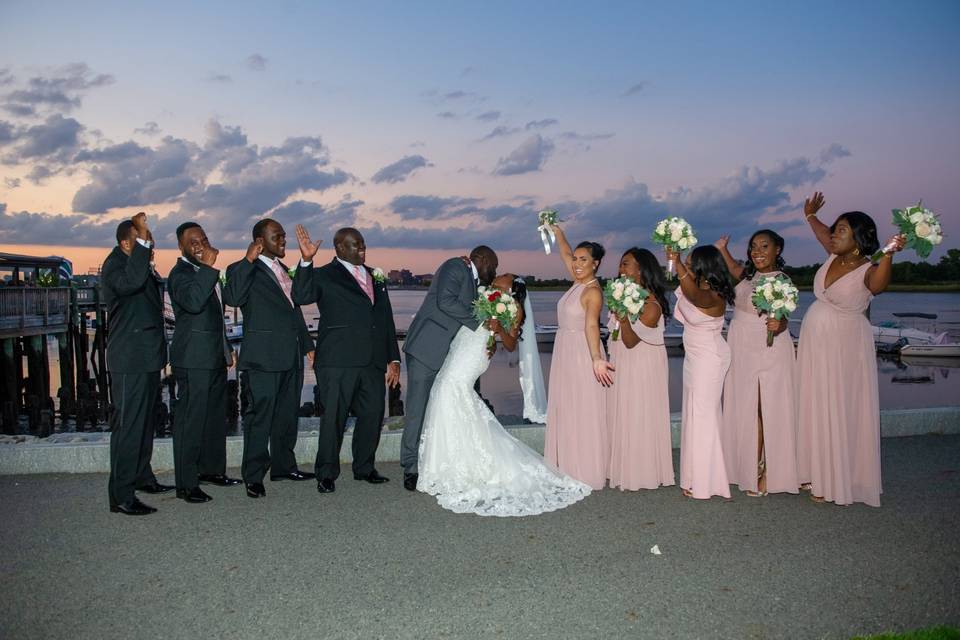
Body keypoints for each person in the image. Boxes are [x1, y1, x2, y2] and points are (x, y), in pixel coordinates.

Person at [417, 273, 591, 516]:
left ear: (512, 290)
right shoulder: (484, 295)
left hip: (474, 354)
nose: (497, 282)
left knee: (452, 388)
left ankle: (461, 462)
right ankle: (446, 462)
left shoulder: (515, 308)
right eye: (498, 279)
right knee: (445, 389)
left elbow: (510, 344)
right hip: (463, 344)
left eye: (502, 282)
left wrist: (498, 329)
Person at [796, 192, 905, 506]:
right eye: (835, 229)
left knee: (840, 403)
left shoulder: (868, 269)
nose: (833, 234)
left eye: (841, 230)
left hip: (845, 347)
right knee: (816, 402)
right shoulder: (832, 256)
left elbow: (879, 287)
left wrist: (889, 254)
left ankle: (839, 478)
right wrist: (809, 216)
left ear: (858, 238)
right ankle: (815, 471)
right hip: (816, 345)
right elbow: (821, 232)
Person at [292, 225, 401, 493]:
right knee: (334, 418)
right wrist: (306, 261)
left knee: (373, 414)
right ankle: (326, 473)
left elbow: (384, 319)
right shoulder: (324, 275)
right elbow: (301, 295)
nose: (362, 247)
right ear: (340, 247)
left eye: (363, 243)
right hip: (337, 360)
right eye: (355, 244)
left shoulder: (376, 277)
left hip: (373, 361)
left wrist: (393, 359)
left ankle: (364, 468)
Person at [222, 219, 315, 499]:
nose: (284, 240)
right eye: (278, 236)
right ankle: (253, 474)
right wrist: (248, 260)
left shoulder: (286, 269)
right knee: (259, 417)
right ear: (259, 241)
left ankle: (284, 466)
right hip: (262, 357)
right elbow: (233, 296)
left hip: (291, 354)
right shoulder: (241, 269)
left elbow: (299, 303)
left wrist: (307, 262)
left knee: (287, 414)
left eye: (284, 236)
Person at [401, 246, 498, 491]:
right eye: (493, 266)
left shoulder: (475, 283)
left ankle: (433, 460)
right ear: (483, 259)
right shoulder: (455, 266)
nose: (494, 272)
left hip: (449, 355)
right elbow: (445, 301)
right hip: (426, 348)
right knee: (417, 409)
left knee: (437, 408)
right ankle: (410, 466)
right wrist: (482, 321)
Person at [715, 230, 799, 497]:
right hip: (741, 347)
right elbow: (733, 268)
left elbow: (782, 317)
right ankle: (745, 464)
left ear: (778, 249)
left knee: (764, 407)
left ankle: (765, 470)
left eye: (765, 246)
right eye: (753, 246)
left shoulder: (782, 281)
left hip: (767, 347)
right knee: (745, 404)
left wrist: (781, 323)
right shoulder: (750, 277)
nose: (757, 251)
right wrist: (723, 249)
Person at [102, 213, 173, 515]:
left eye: (150, 239)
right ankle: (121, 495)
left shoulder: (138, 264)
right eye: (143, 239)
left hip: (146, 357)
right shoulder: (116, 266)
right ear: (125, 243)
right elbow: (131, 284)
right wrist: (142, 245)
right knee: (129, 426)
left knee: (145, 423)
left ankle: (142, 476)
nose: (150, 243)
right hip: (129, 358)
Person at [166, 222, 241, 504]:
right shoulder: (180, 274)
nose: (200, 244)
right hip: (192, 358)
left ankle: (212, 471)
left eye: (203, 239)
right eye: (192, 241)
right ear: (181, 246)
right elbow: (194, 303)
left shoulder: (204, 273)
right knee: (191, 422)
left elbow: (215, 318)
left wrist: (226, 350)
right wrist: (210, 268)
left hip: (212, 356)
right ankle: (186, 484)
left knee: (213, 419)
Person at [543, 225, 612, 490]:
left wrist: (596, 358)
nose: (577, 263)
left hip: (583, 353)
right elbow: (564, 251)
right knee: (567, 406)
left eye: (584, 260)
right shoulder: (577, 281)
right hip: (565, 349)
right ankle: (567, 465)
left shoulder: (592, 291)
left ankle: (585, 469)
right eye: (576, 259)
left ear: (596, 264)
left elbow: (592, 325)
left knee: (583, 409)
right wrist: (556, 231)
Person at [667, 244, 735, 500]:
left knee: (704, 417)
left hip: (710, 358)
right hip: (694, 358)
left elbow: (695, 298)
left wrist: (678, 263)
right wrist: (677, 262)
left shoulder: (714, 294)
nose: (689, 264)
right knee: (696, 415)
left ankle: (707, 482)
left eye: (692, 260)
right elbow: (689, 294)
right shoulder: (695, 287)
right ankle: (695, 476)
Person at [606, 248, 675, 491]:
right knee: (624, 409)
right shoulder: (625, 297)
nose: (621, 269)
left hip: (641, 363)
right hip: (623, 360)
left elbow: (631, 340)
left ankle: (642, 471)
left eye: (626, 264)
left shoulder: (651, 304)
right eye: (621, 264)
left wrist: (622, 318)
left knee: (639, 411)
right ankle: (623, 466)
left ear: (641, 269)